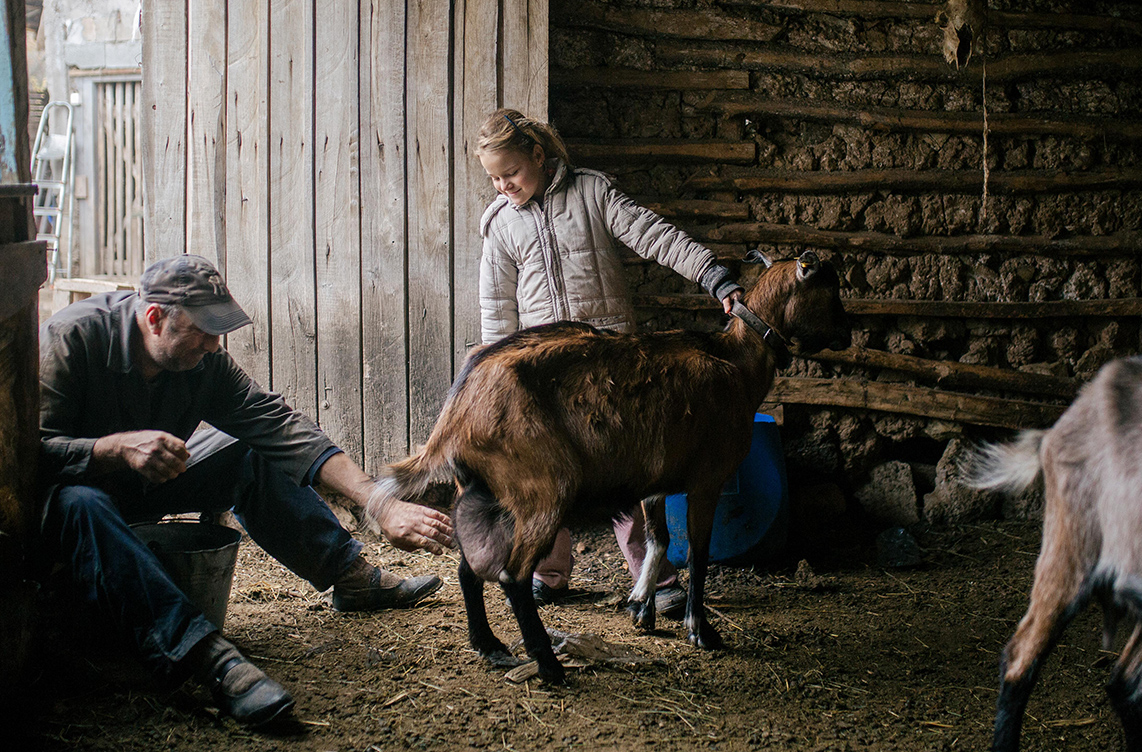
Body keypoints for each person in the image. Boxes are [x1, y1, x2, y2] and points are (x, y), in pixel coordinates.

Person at [38, 254, 455, 728]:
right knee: (82, 502)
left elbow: (278, 425)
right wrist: (110, 450)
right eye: (204, 330)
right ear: (155, 318)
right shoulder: (69, 340)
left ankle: (349, 575)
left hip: (143, 483)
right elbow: (28, 453)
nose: (217, 345)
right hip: (71, 500)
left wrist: (378, 501)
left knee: (249, 449)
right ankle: (210, 661)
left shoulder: (204, 362)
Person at [474, 108, 743, 614]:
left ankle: (655, 579)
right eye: (493, 178)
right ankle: (549, 573)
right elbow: (497, 312)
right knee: (549, 474)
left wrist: (714, 277)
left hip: (613, 370)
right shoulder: (500, 226)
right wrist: (498, 379)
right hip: (548, 378)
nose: (503, 186)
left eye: (510, 173)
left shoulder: (592, 194)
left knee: (630, 472)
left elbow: (655, 235)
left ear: (538, 154)